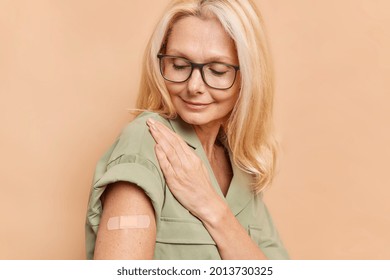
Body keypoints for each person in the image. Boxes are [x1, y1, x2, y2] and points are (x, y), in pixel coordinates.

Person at [85, 0, 289, 260]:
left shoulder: (240, 166)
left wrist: (214, 209)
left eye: (217, 70)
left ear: (248, 77)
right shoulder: (147, 142)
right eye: (179, 65)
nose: (194, 86)